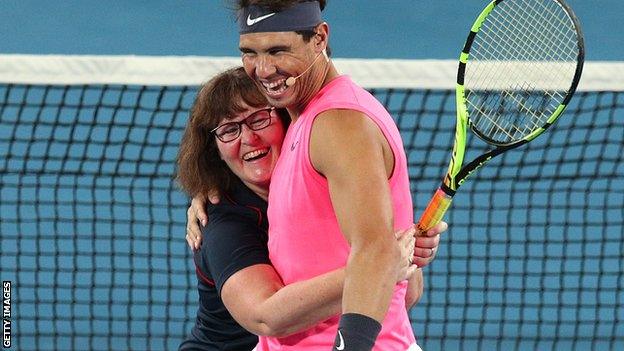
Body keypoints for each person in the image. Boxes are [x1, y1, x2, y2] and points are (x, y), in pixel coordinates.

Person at [186, 1, 449, 350]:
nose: (263, 69)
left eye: (278, 50)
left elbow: (374, 253)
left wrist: (386, 263)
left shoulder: (337, 124)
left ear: (320, 38)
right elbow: (396, 282)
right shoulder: (298, 116)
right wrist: (399, 260)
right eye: (249, 52)